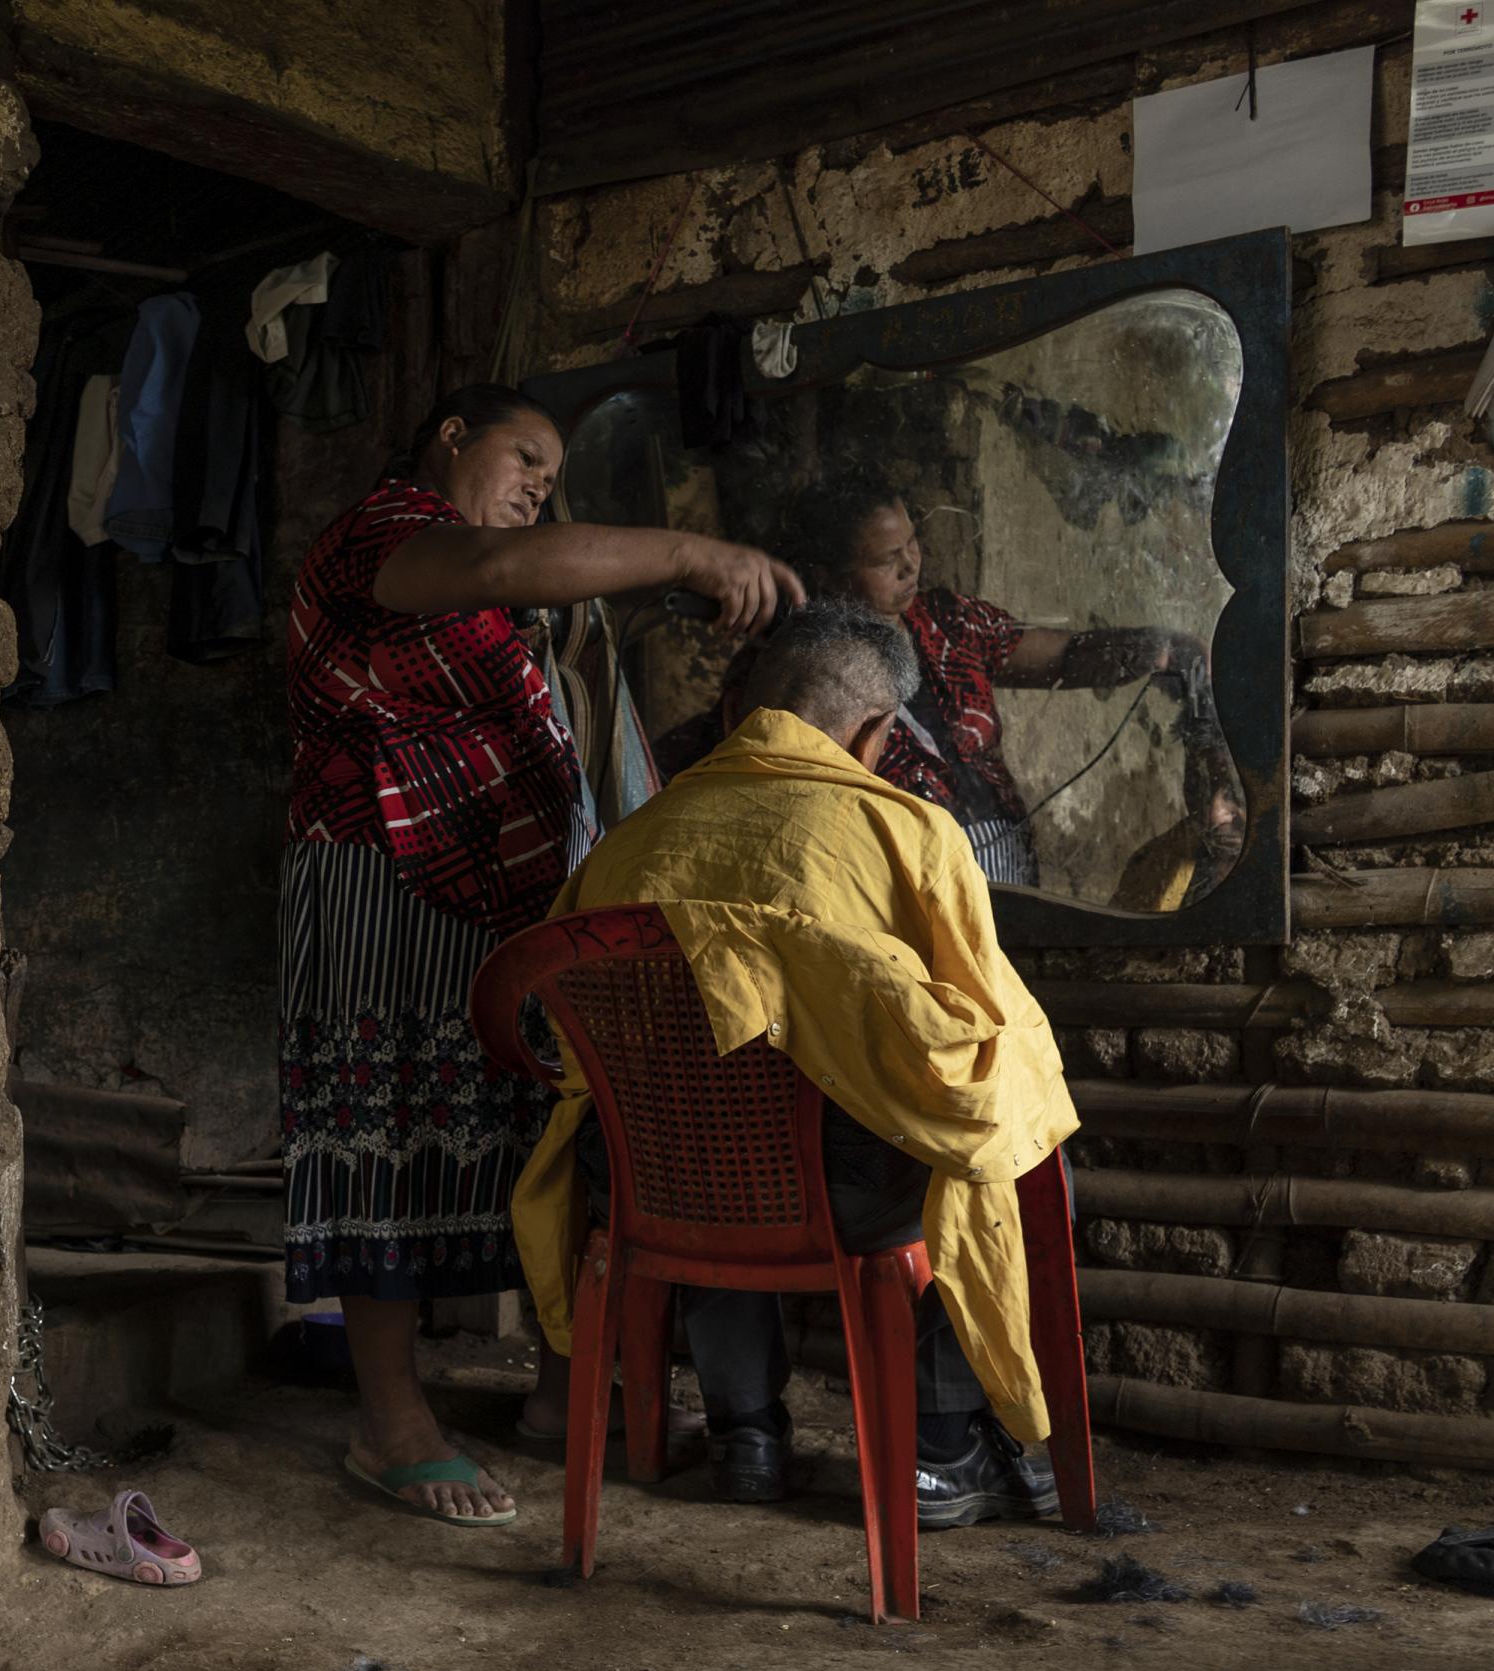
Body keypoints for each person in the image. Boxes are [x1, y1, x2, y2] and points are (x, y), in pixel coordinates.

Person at [280, 383, 802, 1526]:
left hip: (495, 891)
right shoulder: (386, 538)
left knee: (537, 1132)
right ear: (450, 437)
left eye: (551, 478)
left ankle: (561, 1390)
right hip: (378, 869)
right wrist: (691, 552)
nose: (536, 487)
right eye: (524, 457)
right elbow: (499, 568)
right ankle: (390, 1423)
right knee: (387, 1129)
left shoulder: (503, 602)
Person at [512, 601, 1080, 1521]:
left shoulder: (632, 843)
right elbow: (983, 1046)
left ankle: (746, 1434)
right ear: (872, 730)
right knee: (991, 1138)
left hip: (650, 1184)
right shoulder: (908, 832)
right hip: (839, 1198)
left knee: (704, 1128)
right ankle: (942, 1449)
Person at [659, 476, 1223, 891]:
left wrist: (1162, 648)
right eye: (886, 560)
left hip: (1009, 882)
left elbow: (1069, 657)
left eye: (913, 545)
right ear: (829, 575)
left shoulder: (949, 624)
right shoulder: (793, 670)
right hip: (899, 899)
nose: (911, 567)